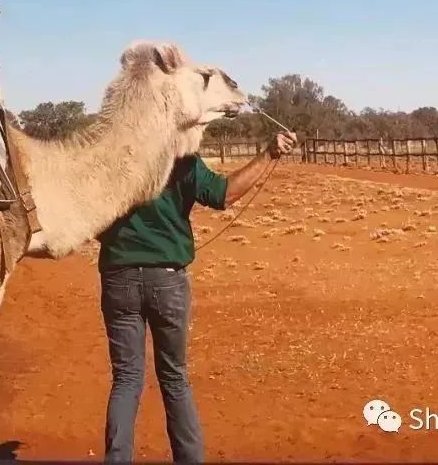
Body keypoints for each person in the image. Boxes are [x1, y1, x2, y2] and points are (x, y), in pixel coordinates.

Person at [96, 129, 298, 462]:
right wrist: (269, 154)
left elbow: (91, 216)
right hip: (168, 280)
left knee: (127, 378)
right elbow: (225, 195)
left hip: (119, 279)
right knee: (174, 376)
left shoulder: (114, 158)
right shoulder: (182, 159)